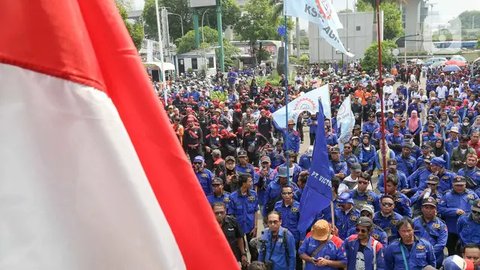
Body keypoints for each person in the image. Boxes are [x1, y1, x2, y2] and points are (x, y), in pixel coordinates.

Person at [439, 176, 479, 255]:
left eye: (461, 185)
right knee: (452, 251)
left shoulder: (472, 195)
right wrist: (454, 211)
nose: (459, 187)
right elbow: (440, 209)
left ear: (465, 184)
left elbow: (477, 206)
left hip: (468, 229)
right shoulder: (447, 195)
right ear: (453, 185)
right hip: (452, 229)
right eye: (457, 185)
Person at [229, 173, 259, 261]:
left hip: (250, 227)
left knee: (253, 249)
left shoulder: (253, 194)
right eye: (250, 181)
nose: (252, 183)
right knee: (241, 251)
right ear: (244, 183)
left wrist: (256, 226)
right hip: (239, 228)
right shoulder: (233, 197)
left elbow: (255, 211)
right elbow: (231, 215)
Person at [413, 197, 448, 268]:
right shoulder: (414, 222)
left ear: (435, 210)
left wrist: (427, 252)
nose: (429, 210)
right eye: (426, 207)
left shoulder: (441, 225)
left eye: (431, 208)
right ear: (422, 208)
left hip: (435, 259)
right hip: (416, 257)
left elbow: (441, 244)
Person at [273, 186, 302, 270]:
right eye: (284, 193)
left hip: (295, 237)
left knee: (296, 259)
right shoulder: (277, 205)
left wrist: (302, 238)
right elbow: (275, 221)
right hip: (281, 237)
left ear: (293, 194)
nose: (287, 195)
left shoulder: (298, 206)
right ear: (281, 194)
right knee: (282, 257)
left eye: (289, 193)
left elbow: (302, 223)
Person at [212, 202, 248, 267]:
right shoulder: (208, 225)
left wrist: (243, 254)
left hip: (233, 257)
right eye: (217, 213)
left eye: (221, 212)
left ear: (225, 212)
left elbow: (240, 238)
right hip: (216, 257)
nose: (219, 215)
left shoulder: (233, 221)